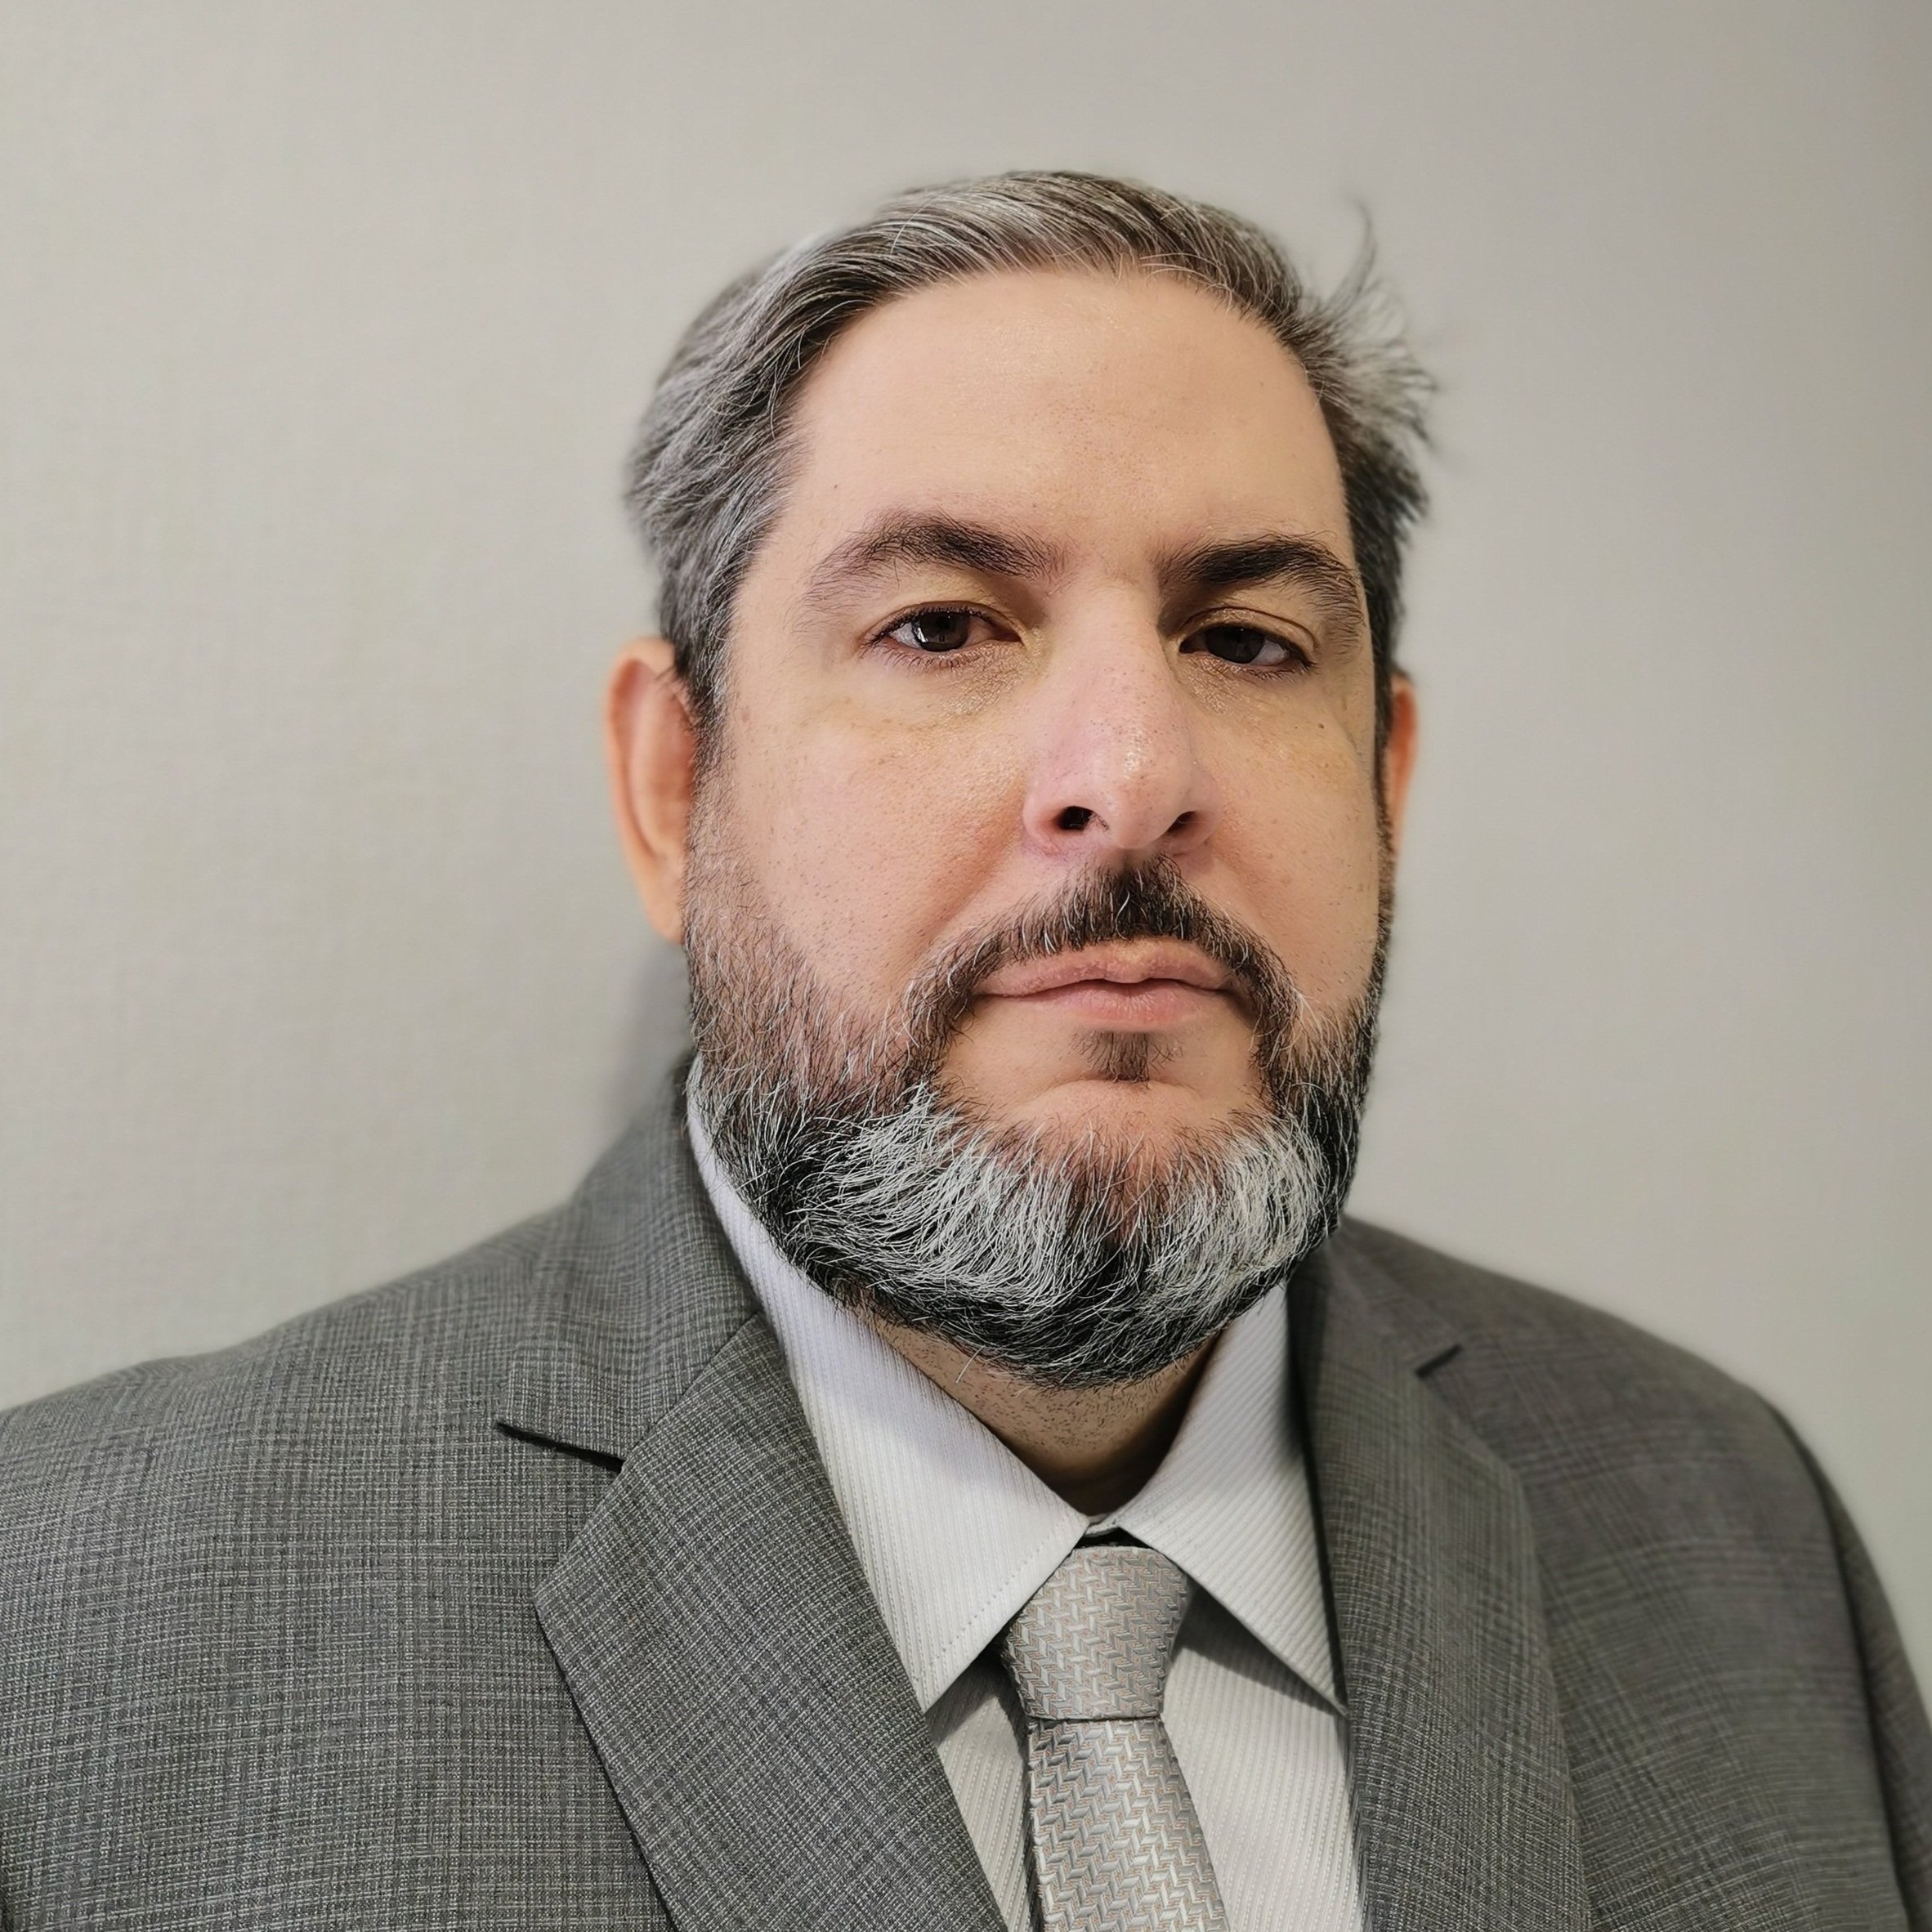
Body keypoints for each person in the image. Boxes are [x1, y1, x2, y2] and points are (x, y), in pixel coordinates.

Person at [1, 171, 1925, 1932]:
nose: (1132, 778)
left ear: (1385, 787)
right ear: (674, 789)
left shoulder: (1733, 1527)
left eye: (1247, 642)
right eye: (941, 627)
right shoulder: (70, 1621)